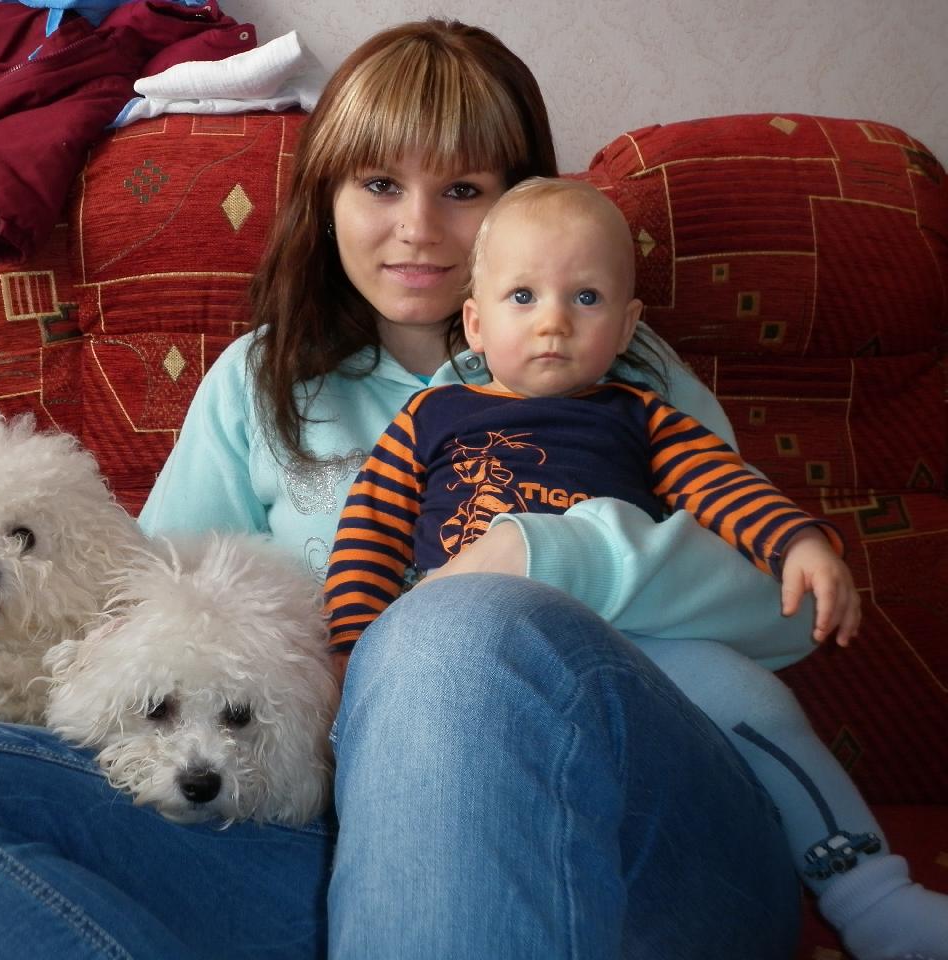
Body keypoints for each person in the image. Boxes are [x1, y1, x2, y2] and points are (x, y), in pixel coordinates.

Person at [0, 19, 872, 960]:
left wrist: (548, 557)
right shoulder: (259, 383)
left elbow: (783, 609)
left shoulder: (621, 374)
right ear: (327, 194)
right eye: (380, 183)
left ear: (522, 202)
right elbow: (137, 623)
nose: (417, 228)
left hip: (633, 853)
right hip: (320, 869)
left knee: (448, 631)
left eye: (464, 189)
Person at [325, 176, 948, 960]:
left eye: (585, 298)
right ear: (475, 323)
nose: (553, 321)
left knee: (758, 701)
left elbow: (724, 489)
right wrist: (351, 653)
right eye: (523, 296)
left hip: (633, 648)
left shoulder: (642, 416)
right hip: (459, 670)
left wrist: (796, 541)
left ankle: (871, 896)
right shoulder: (429, 417)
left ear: (626, 327)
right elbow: (368, 536)